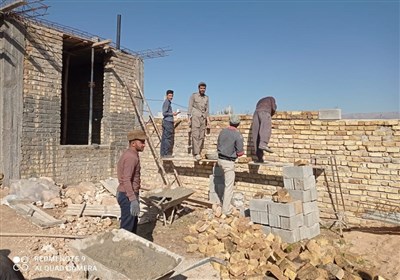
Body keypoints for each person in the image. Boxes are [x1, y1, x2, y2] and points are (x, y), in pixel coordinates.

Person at [116, 130, 147, 234]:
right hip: (127, 196)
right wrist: (133, 200)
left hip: (128, 194)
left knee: (132, 225)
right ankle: (122, 248)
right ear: (133, 143)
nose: (144, 145)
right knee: (126, 229)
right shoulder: (131, 157)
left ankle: (130, 247)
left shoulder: (131, 154)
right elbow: (126, 180)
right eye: (141, 142)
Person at [217, 114, 244, 215]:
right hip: (228, 162)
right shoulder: (237, 134)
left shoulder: (222, 131)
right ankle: (226, 210)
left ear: (229, 122)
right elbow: (240, 152)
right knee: (229, 186)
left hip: (220, 160)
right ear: (238, 124)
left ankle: (223, 203)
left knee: (225, 183)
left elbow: (218, 144)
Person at [188, 82, 210, 161]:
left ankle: (198, 152)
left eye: (204, 88)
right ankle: (196, 153)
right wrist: (188, 118)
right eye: (201, 88)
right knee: (195, 135)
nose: (202, 90)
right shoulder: (194, 96)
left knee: (201, 136)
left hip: (203, 118)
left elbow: (207, 110)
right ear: (199, 88)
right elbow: (190, 106)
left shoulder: (206, 98)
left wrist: (208, 121)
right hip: (195, 117)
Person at [252, 96, 277, 163]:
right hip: (265, 112)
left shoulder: (260, 100)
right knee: (265, 128)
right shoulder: (272, 98)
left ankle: (259, 158)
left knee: (256, 136)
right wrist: (270, 115)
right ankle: (263, 144)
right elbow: (274, 108)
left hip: (255, 114)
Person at [160, 90, 180, 158]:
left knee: (165, 138)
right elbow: (164, 113)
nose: (171, 97)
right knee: (168, 138)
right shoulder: (166, 102)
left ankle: (163, 154)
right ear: (167, 96)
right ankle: (166, 154)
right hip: (168, 122)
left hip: (167, 122)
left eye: (172, 96)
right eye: (169, 95)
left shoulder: (168, 103)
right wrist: (172, 114)